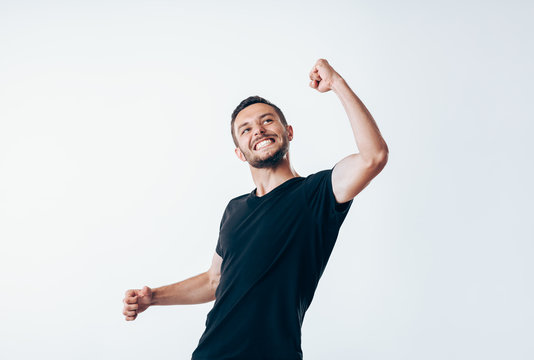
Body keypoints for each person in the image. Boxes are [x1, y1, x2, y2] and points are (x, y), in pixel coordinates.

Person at [122, 58, 389, 359]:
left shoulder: (316, 194)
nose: (258, 131)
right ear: (239, 152)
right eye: (246, 129)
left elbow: (373, 157)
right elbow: (214, 280)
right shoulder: (234, 210)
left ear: (288, 131)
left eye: (267, 120)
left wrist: (337, 83)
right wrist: (154, 297)